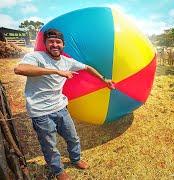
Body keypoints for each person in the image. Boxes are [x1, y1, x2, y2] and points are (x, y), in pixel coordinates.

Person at [14, 28, 114, 180]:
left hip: (60, 108)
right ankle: (58, 170)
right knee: (50, 146)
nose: (55, 45)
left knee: (73, 137)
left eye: (58, 42)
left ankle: (76, 159)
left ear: (63, 44)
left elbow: (87, 67)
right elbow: (19, 69)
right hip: (40, 112)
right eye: (51, 42)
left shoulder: (67, 61)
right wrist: (56, 72)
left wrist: (104, 79)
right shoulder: (35, 57)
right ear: (45, 44)